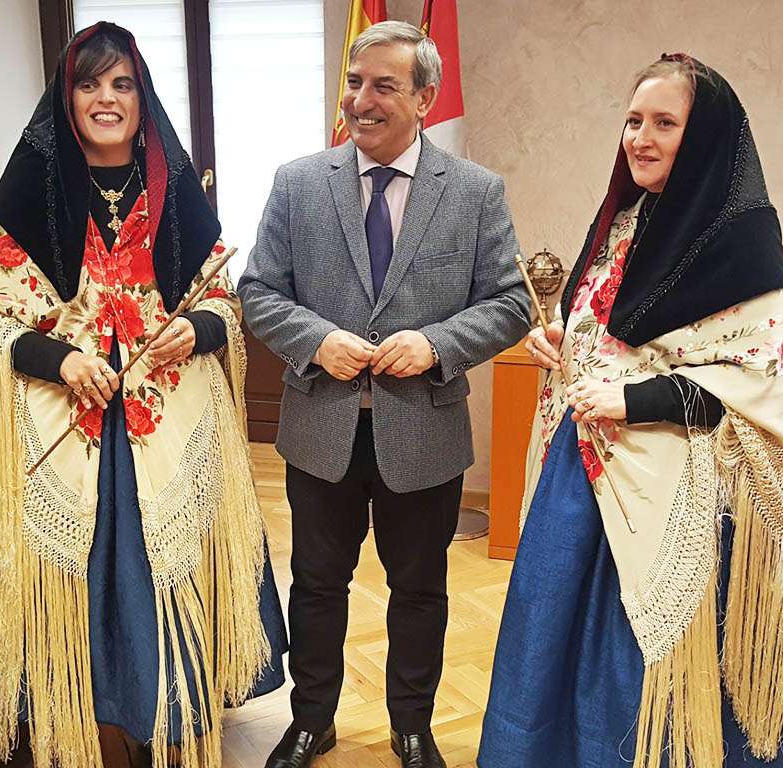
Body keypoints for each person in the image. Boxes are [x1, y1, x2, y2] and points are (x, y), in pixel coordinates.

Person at [478, 54, 783, 768]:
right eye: (633, 120)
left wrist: (634, 398)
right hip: (586, 467)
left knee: (648, 651)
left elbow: (756, 375)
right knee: (552, 628)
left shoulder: (743, 238)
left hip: (680, 485)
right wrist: (561, 338)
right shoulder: (625, 218)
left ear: (703, 138)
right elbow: (607, 322)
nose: (640, 138)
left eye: (664, 123)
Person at [0, 22, 286, 768]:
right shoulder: (31, 198)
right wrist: (61, 361)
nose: (106, 98)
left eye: (122, 84)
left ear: (142, 99)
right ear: (66, 99)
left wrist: (197, 328)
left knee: (171, 575)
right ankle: (97, 731)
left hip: (170, 421)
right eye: (89, 84)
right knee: (89, 585)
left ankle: (175, 723)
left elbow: (223, 300)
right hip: (69, 429)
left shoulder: (173, 192)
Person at [238, 20, 529, 768]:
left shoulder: (474, 193)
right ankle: (311, 721)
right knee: (316, 585)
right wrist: (316, 340)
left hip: (424, 431)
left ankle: (412, 726)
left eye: (384, 86)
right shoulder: (299, 183)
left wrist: (436, 345)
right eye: (355, 83)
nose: (360, 100)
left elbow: (510, 303)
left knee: (420, 589)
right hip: (320, 430)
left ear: (426, 98)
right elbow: (258, 291)